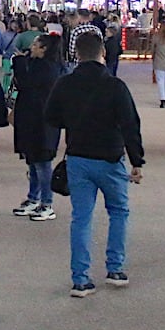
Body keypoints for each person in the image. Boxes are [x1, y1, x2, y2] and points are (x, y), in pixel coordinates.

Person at [45, 31, 145, 297]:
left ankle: (80, 279)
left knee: (81, 218)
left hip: (78, 158)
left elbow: (51, 116)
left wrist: (74, 120)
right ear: (103, 53)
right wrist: (137, 161)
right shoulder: (115, 86)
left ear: (76, 54)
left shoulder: (65, 83)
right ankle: (115, 268)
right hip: (110, 158)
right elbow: (130, 125)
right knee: (119, 212)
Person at [12, 32, 61, 221]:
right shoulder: (35, 64)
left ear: (44, 49)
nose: (31, 48)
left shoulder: (48, 68)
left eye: (35, 45)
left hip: (42, 121)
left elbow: (26, 83)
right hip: (30, 118)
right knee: (32, 160)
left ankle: (47, 203)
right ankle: (33, 198)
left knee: (42, 162)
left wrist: (18, 64)